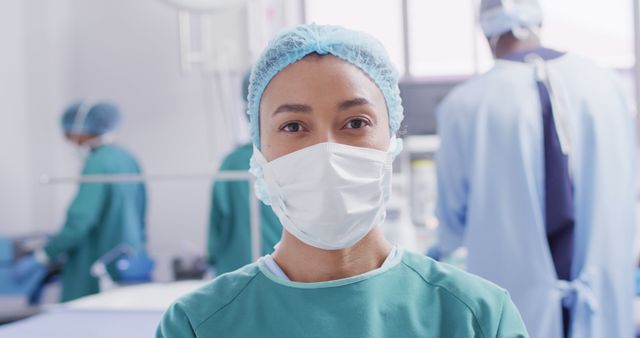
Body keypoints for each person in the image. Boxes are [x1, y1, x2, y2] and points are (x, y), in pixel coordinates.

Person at [156, 24, 528, 338]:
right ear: (259, 152)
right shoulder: (197, 324)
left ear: (392, 140)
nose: (326, 152)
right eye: (293, 126)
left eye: (355, 123)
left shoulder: (475, 317)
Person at [432, 0, 636, 337]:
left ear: (486, 28)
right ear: (538, 18)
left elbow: (451, 223)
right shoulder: (607, 86)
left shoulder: (465, 104)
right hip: (603, 303)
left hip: (515, 307)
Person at [13, 101, 148, 302]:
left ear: (81, 128)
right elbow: (141, 209)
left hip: (95, 263)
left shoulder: (97, 163)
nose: (69, 138)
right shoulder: (127, 158)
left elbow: (80, 222)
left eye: (69, 133)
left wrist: (44, 255)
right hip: (129, 258)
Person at [207, 71, 282, 275]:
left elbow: (217, 223)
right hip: (288, 271)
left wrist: (210, 257)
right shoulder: (294, 159)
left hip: (238, 268)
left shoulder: (232, 163)